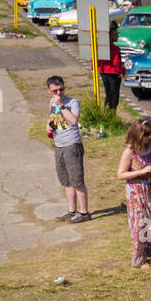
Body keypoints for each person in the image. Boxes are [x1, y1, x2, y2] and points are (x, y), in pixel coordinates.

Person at [117, 119, 151, 268]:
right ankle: (140, 257)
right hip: (136, 188)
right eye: (146, 134)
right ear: (137, 134)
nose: (150, 137)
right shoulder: (130, 152)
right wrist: (141, 171)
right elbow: (120, 174)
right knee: (141, 224)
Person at [46, 76, 90, 222]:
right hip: (59, 146)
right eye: (55, 91)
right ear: (49, 91)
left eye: (61, 89)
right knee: (66, 181)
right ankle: (72, 210)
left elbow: (74, 120)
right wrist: (48, 125)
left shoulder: (72, 102)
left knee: (77, 180)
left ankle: (84, 213)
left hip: (72, 145)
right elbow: (53, 118)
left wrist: (62, 106)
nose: (58, 93)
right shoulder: (52, 102)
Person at [98, 22, 125, 110]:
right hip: (113, 74)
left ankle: (107, 116)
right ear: (111, 35)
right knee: (114, 97)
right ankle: (111, 116)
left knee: (108, 95)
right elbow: (116, 62)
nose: (118, 37)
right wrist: (121, 71)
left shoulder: (101, 46)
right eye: (116, 35)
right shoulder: (114, 47)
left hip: (103, 72)